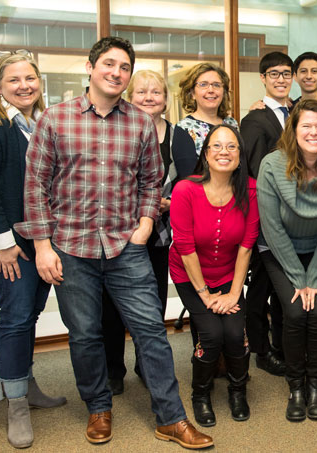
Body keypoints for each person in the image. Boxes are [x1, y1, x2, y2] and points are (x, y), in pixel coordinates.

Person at [15, 36, 212, 449]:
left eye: (124, 67)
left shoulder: (140, 122)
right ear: (90, 67)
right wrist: (43, 246)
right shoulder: (55, 119)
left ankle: (171, 418)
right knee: (85, 333)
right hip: (71, 245)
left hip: (126, 246)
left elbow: (149, 181)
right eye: (109, 64)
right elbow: (35, 187)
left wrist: (144, 223)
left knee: (150, 332)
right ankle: (98, 407)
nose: (116, 73)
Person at [0, 51, 66, 449]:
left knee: (30, 315)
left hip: (41, 239)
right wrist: (3, 245)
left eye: (30, 78)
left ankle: (27, 384)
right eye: (14, 80)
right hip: (9, 244)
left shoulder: (41, 123)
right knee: (17, 317)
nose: (24, 86)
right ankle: (17, 404)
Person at [257, 100, 317, 422]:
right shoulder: (272, 165)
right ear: (294, 130)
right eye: (306, 126)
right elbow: (272, 228)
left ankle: (316, 387)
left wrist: (314, 278)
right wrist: (300, 280)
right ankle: (296, 387)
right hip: (278, 249)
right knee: (296, 311)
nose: (313, 132)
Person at [170, 124, 258, 426]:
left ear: (240, 155)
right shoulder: (185, 190)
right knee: (211, 334)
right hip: (190, 275)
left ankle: (237, 391)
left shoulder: (251, 189)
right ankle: (201, 394)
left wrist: (234, 293)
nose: (224, 152)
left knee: (234, 334)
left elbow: (247, 246)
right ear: (206, 154)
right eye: (217, 146)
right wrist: (205, 294)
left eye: (232, 146)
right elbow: (185, 247)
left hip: (228, 275)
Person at [102, 69, 174, 395]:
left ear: (165, 98)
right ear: (129, 97)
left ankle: (147, 367)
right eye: (141, 92)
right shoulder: (113, 130)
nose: (148, 97)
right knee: (112, 307)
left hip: (158, 236)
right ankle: (112, 370)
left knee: (152, 306)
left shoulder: (177, 135)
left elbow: (189, 180)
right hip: (117, 234)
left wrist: (168, 202)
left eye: (155, 92)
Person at [240, 51, 296, 378]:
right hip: (265, 215)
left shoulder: (298, 111)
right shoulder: (255, 119)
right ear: (262, 78)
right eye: (273, 74)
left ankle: (280, 345)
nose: (280, 79)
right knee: (261, 286)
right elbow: (251, 170)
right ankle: (261, 351)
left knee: (282, 286)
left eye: (286, 73)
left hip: (295, 216)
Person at [171, 62, 239, 182]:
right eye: (203, 85)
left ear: (223, 92)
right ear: (192, 93)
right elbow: (188, 177)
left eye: (216, 85)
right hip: (202, 196)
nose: (211, 90)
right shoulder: (184, 128)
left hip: (234, 193)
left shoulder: (232, 124)